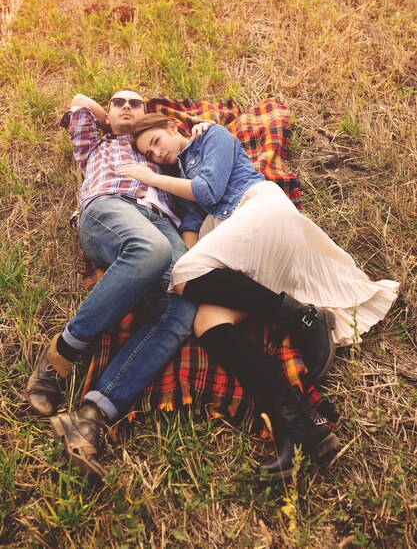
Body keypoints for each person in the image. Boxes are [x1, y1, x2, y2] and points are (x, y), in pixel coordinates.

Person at [121, 113, 400, 479]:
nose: (158, 154)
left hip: (261, 212)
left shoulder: (212, 137)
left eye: (157, 141)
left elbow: (207, 192)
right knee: (208, 323)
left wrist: (151, 179)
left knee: (185, 274)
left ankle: (304, 318)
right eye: (150, 155)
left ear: (174, 127)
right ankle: (298, 424)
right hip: (244, 251)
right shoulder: (176, 176)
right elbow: (191, 222)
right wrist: (187, 264)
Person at [26, 91, 201, 481]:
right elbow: (76, 101)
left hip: (162, 223)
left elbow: (196, 179)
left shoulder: (161, 153)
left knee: (182, 310)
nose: (126, 107)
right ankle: (62, 354)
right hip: (109, 208)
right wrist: (106, 117)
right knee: (149, 249)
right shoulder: (98, 144)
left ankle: (93, 415)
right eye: (118, 102)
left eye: (135, 104)